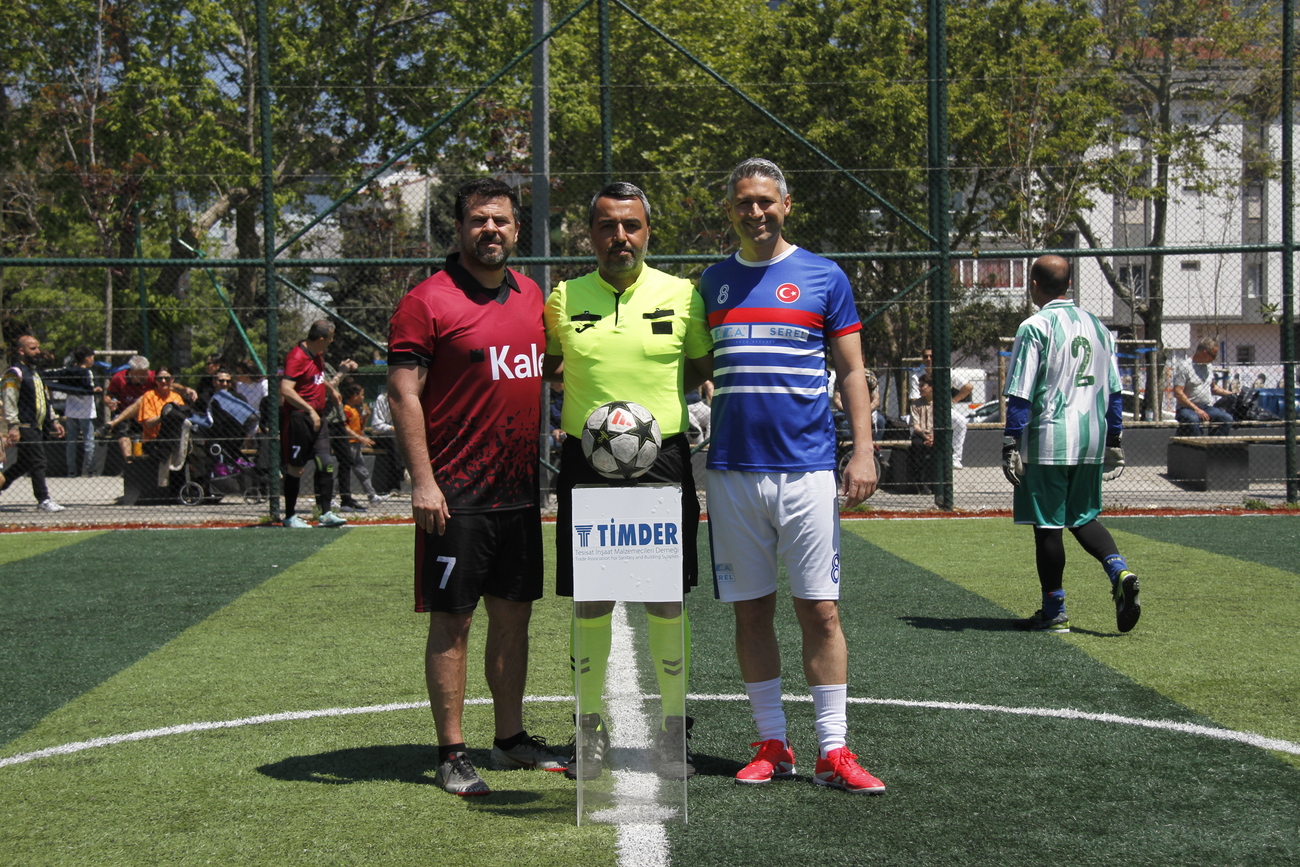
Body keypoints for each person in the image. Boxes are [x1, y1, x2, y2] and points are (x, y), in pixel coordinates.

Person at [697, 158, 884, 795]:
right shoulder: (712, 282)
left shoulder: (824, 276)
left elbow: (852, 370)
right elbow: (695, 365)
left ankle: (833, 750)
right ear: (730, 210)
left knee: (821, 612)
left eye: (765, 201)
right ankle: (772, 744)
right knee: (751, 613)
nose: (756, 212)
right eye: (743, 202)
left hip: (806, 469)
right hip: (731, 473)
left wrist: (863, 450)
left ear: (786, 205)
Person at [388, 178, 567, 797]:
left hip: (519, 494)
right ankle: (451, 752)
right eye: (479, 220)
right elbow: (403, 393)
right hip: (455, 496)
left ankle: (510, 739)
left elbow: (556, 369)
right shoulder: (426, 301)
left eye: (502, 220)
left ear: (516, 230)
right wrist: (423, 481)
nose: (491, 229)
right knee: (454, 622)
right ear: (460, 229)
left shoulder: (532, 295)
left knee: (514, 618)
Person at [543, 181, 713, 780]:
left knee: (665, 596)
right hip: (585, 463)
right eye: (607, 226)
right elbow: (549, 364)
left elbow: (701, 366)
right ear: (590, 235)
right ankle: (588, 729)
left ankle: (673, 729)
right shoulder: (564, 297)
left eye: (631, 225)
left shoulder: (683, 295)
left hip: (663, 461)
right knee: (592, 597)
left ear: (647, 232)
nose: (620, 236)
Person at [1001, 254, 1140, 635]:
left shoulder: (1034, 326)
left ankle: (1054, 611)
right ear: (1069, 285)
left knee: (1047, 527)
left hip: (1049, 440)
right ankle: (1119, 571)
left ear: (1033, 285)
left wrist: (1011, 440)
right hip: (1091, 439)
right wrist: (1114, 437)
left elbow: (1020, 391)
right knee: (1082, 517)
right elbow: (1115, 391)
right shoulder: (1099, 327)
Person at [279, 320, 347, 529]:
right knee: (296, 468)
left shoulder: (317, 355)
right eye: (330, 337)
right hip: (300, 418)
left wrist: (330, 390)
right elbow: (286, 389)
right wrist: (309, 410)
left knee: (326, 462)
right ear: (321, 339)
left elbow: (315, 377)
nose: (332, 341)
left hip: (319, 417)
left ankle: (326, 513)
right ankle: (290, 516)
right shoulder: (296, 356)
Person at [1, 335, 66, 512]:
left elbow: (44, 400)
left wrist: (54, 420)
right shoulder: (15, 372)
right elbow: (9, 400)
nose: (38, 352)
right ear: (21, 351)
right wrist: (13, 425)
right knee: (38, 461)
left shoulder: (35, 374)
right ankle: (43, 499)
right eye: (32, 348)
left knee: (24, 463)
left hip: (38, 426)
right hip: (24, 425)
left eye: (37, 347)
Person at [910, 348, 970, 468]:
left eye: (931, 356)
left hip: (943, 410)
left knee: (961, 422)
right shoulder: (917, 376)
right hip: (924, 410)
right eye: (925, 356)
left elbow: (968, 387)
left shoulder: (946, 372)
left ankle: (955, 459)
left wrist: (951, 402)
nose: (928, 359)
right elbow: (914, 399)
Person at [336, 381, 388, 512]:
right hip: (349, 443)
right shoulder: (346, 409)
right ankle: (332, 495)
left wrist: (366, 417)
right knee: (348, 471)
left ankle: (372, 496)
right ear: (354, 395)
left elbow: (361, 428)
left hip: (356, 443)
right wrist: (361, 438)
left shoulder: (355, 409)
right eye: (361, 395)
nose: (363, 397)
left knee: (362, 470)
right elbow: (345, 428)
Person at [1172, 339, 1233, 436]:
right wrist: (1196, 409)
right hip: (1187, 408)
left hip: (1206, 407)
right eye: (1213, 356)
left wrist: (1232, 394)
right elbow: (1178, 392)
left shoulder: (1208, 366)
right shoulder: (1185, 367)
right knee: (1193, 419)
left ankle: (1215, 443)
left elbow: (1213, 388)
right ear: (1204, 353)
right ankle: (1198, 443)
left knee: (1227, 418)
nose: (1214, 359)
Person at [105, 355, 154, 462]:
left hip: (145, 413)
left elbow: (170, 385)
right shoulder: (119, 378)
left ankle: (148, 460)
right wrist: (110, 402)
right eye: (142, 374)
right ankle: (129, 461)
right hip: (123, 413)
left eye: (146, 372)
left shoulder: (152, 377)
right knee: (122, 430)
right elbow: (107, 396)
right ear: (132, 373)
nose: (145, 376)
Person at [61, 346, 101, 477]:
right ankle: (90, 469)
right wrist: (95, 390)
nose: (93, 360)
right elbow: (91, 388)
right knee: (88, 440)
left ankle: (71, 470)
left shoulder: (69, 371)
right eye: (92, 357)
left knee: (71, 441)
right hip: (86, 410)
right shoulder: (89, 372)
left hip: (71, 410)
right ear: (87, 358)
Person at [909, 373, 935, 493]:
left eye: (922, 386)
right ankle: (921, 483)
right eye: (919, 386)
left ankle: (939, 482)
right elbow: (916, 425)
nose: (919, 388)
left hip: (936, 434)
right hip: (921, 434)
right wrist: (926, 437)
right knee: (917, 446)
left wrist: (934, 437)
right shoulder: (915, 404)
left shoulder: (939, 404)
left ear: (931, 387)